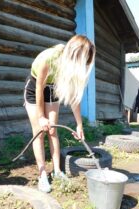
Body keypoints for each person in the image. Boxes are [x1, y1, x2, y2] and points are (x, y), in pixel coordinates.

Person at [24, 35, 96, 193]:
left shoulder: (72, 68)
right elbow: (39, 89)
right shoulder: (49, 59)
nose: (83, 65)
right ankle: (42, 174)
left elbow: (74, 97)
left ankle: (57, 171)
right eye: (83, 60)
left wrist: (79, 125)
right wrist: (41, 117)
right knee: (39, 132)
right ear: (75, 54)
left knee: (52, 131)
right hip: (35, 88)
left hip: (52, 89)